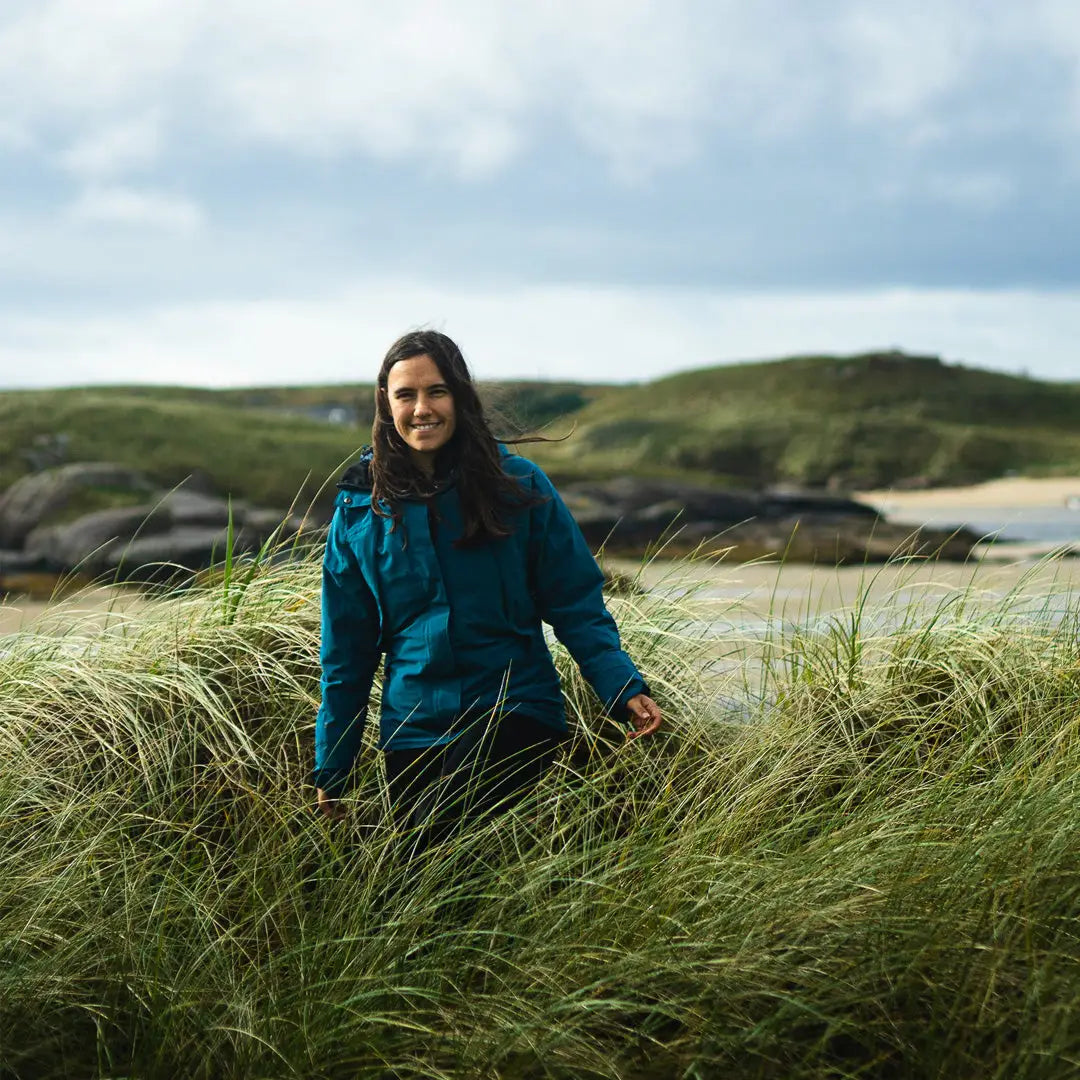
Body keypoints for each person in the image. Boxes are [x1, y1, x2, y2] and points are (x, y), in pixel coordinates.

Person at [312, 330, 662, 844]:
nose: (421, 408)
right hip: (412, 729)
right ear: (386, 405)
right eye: (405, 395)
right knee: (436, 892)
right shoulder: (361, 508)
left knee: (437, 859)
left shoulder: (516, 484)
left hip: (512, 708)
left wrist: (621, 686)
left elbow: (573, 601)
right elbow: (346, 649)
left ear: (460, 395)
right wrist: (333, 764)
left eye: (436, 391)